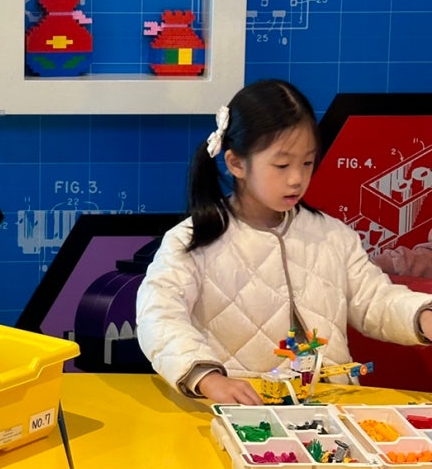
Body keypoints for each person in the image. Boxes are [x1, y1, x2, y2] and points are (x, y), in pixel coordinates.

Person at [136, 79, 432, 405]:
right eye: (282, 165)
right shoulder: (193, 240)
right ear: (236, 163)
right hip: (242, 409)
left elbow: (374, 299)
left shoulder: (333, 235)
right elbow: (159, 316)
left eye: (307, 162)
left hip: (331, 409)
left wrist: (421, 315)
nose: (297, 178)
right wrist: (207, 378)